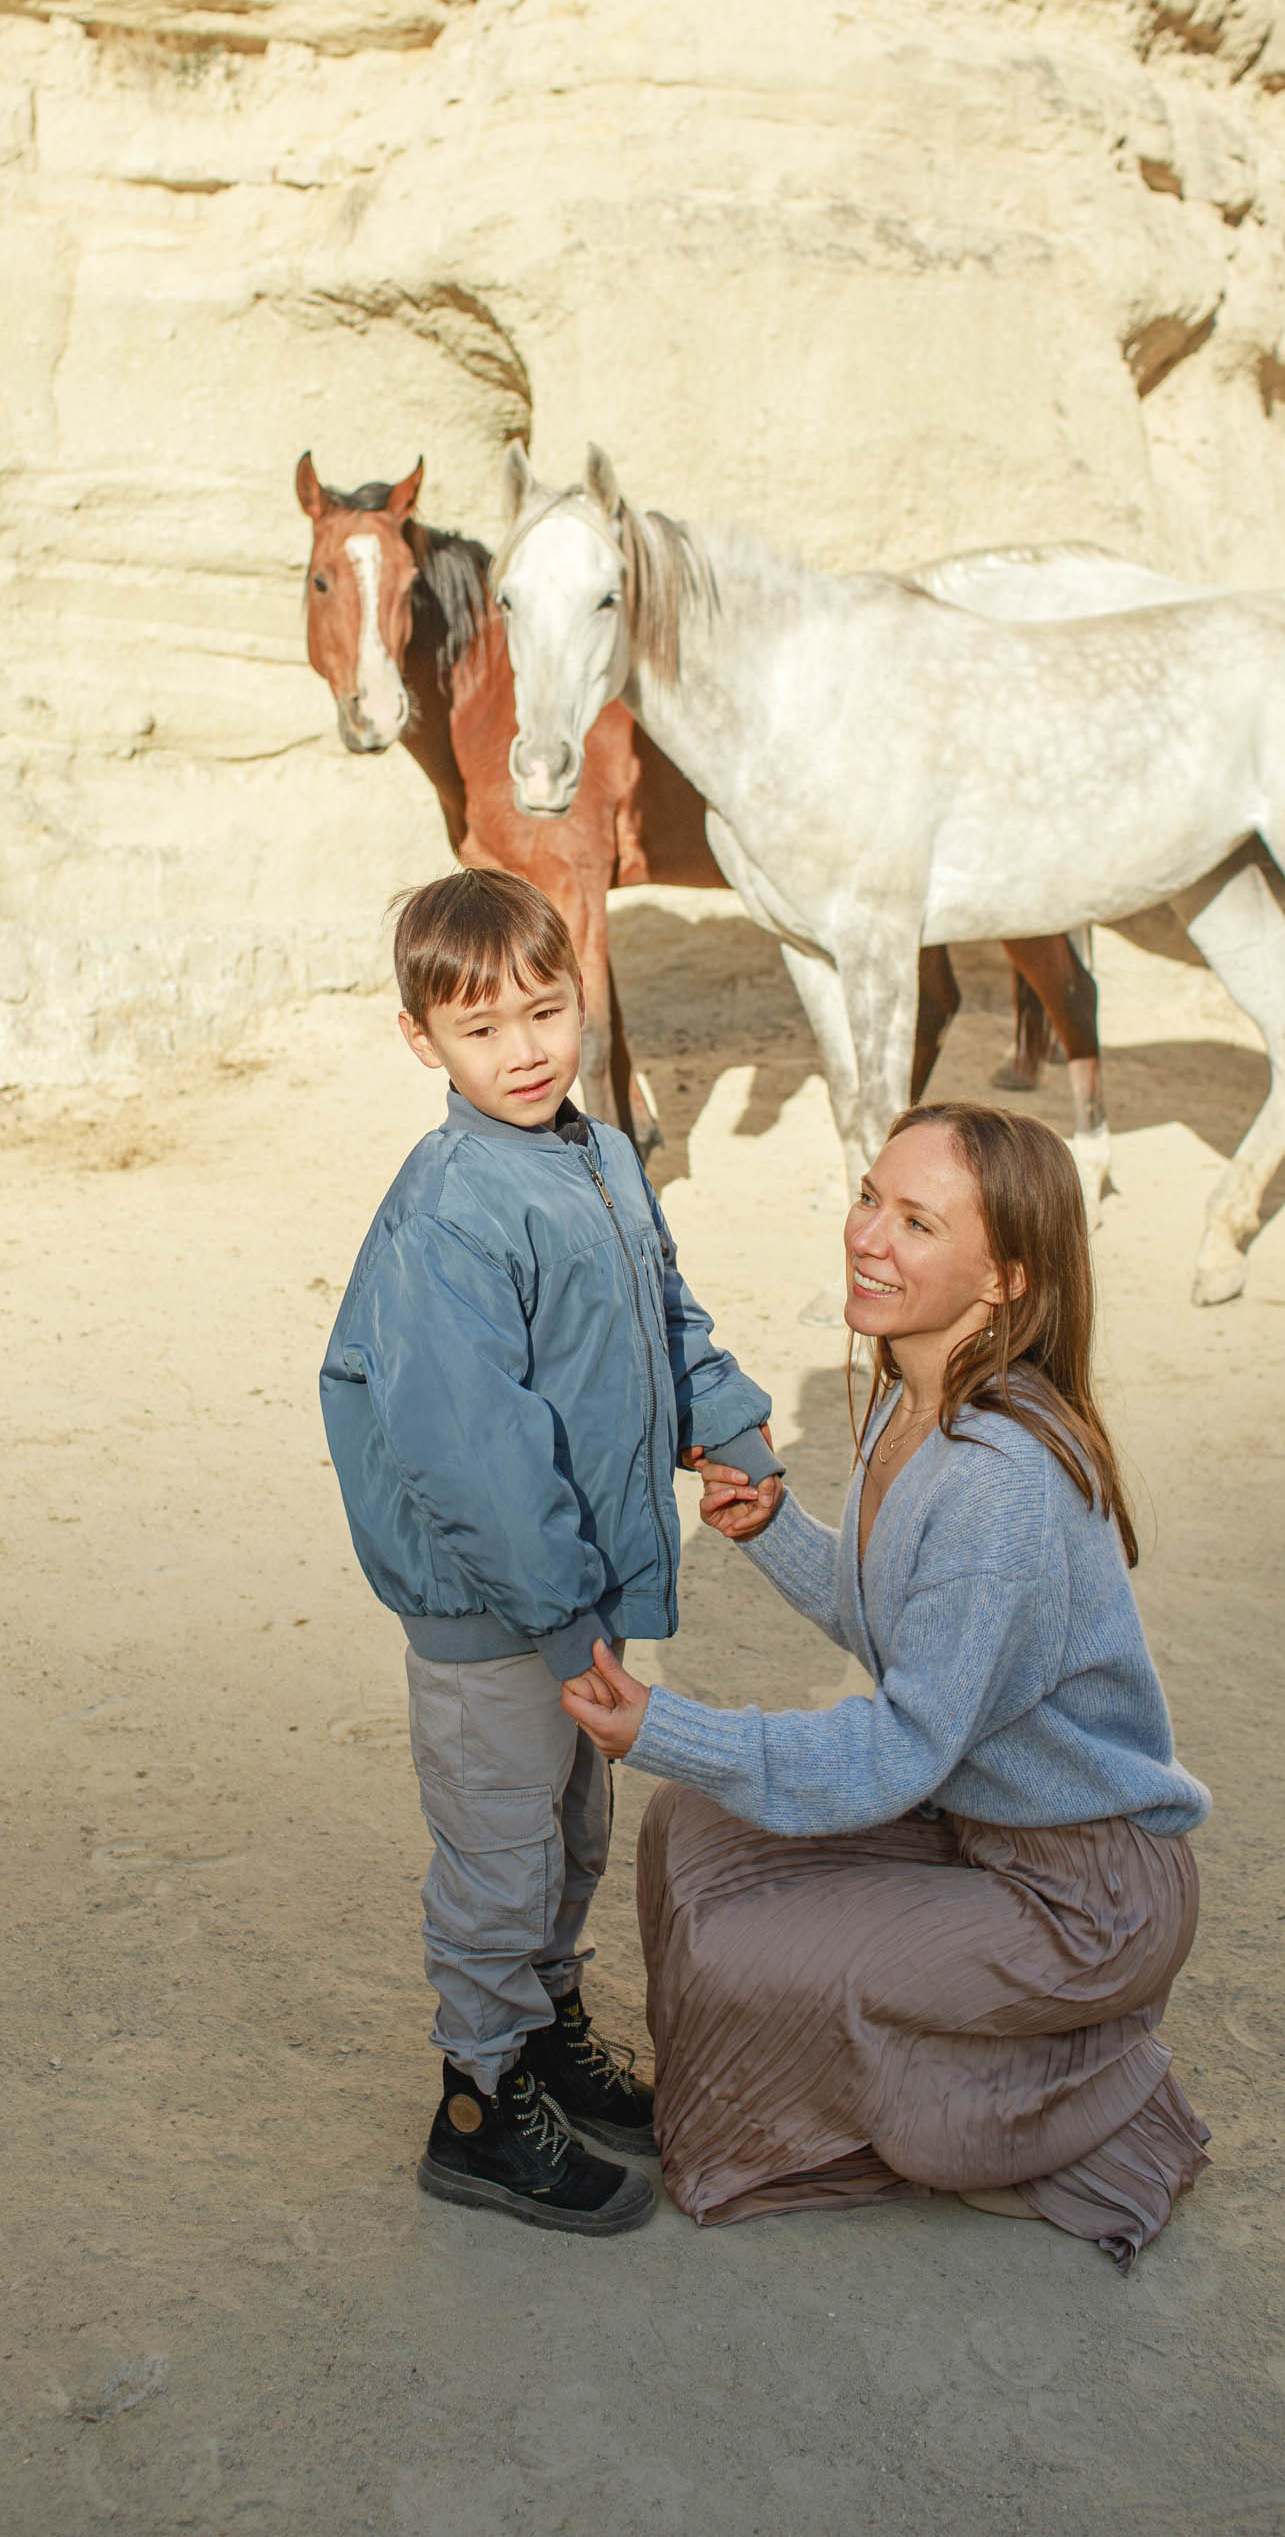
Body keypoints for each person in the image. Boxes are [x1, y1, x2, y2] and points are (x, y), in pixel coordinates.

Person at [561, 1101, 1211, 2267]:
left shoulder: (999, 1479)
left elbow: (896, 1745)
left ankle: (1049, 2102)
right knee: (692, 1839)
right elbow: (902, 1621)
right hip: (978, 1829)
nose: (867, 1238)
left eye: (917, 1223)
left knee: (746, 1952)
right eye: (869, 1197)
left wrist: (661, 1724)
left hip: (1081, 1900)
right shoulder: (917, 1398)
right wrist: (776, 1531)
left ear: (1005, 1275)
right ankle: (903, 2064)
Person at [321, 867, 778, 2236]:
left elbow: (663, 1316)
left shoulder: (600, 1154)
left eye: (546, 1008)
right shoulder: (456, 1209)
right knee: (499, 1848)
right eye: (480, 1029)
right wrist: (559, 1611)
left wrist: (732, 1429)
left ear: (584, 994)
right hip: (500, 1609)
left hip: (580, 1593)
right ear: (423, 1043)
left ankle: (549, 2035)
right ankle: (476, 2099)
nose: (522, 1049)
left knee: (570, 1835)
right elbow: (476, 1448)